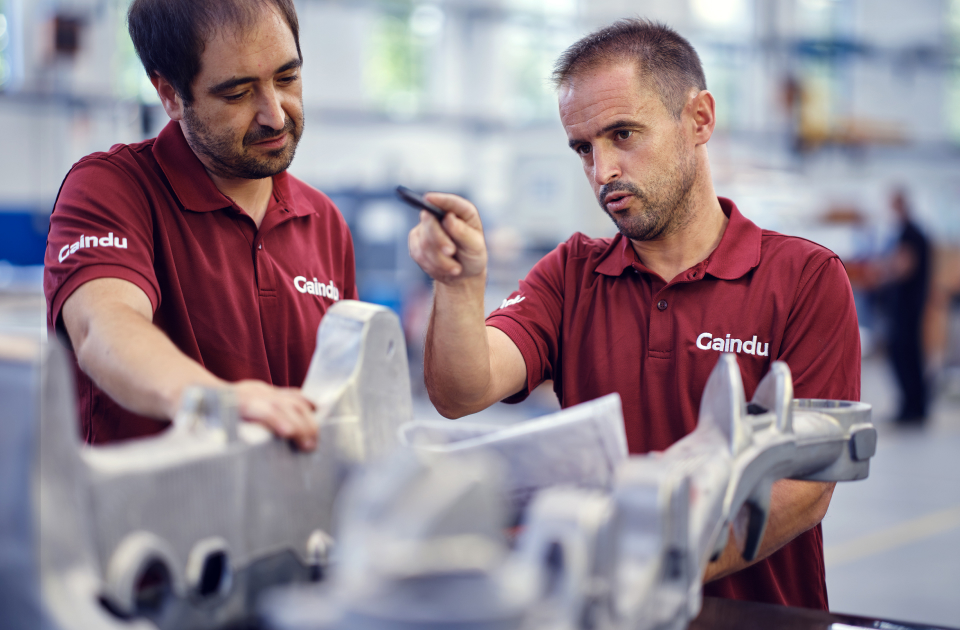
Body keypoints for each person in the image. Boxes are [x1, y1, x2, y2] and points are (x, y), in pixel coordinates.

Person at [408, 19, 860, 610]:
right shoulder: (573, 274)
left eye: (623, 134)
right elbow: (462, 391)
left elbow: (804, 485)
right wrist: (460, 284)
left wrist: (649, 573)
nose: (603, 173)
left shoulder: (804, 278)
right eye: (584, 148)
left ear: (698, 119)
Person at [43, 0, 358, 451]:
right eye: (238, 93)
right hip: (141, 517)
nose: (276, 114)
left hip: (292, 517)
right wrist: (212, 402)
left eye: (287, 78)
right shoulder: (111, 189)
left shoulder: (323, 222)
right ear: (170, 94)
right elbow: (103, 326)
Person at [884, 189, 931, 424]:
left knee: (905, 355)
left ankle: (913, 408)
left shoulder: (910, 233)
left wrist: (883, 271)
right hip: (910, 306)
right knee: (909, 355)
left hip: (907, 308)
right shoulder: (913, 232)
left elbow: (904, 267)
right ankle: (914, 406)